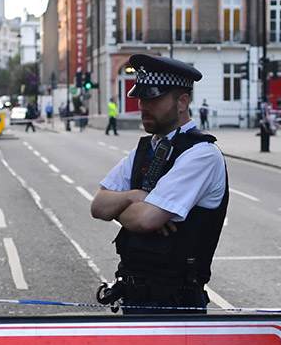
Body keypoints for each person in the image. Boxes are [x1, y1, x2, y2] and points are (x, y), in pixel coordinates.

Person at [91, 54, 228, 315]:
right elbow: (98, 206)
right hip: (133, 300)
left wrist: (127, 208)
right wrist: (134, 196)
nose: (143, 106)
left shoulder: (201, 154)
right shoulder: (147, 149)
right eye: (141, 98)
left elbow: (146, 220)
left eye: (153, 99)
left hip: (175, 306)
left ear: (182, 102)